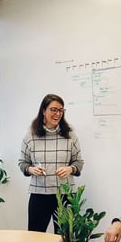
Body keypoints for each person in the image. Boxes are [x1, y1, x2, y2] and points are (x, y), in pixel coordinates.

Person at [18, 93, 84, 233]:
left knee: (65, 238)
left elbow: (79, 162)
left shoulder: (70, 135)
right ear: (43, 111)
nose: (58, 114)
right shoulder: (31, 135)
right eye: (53, 109)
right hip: (39, 195)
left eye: (61, 110)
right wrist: (31, 169)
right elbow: (22, 163)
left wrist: (70, 169)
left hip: (65, 195)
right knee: (35, 237)